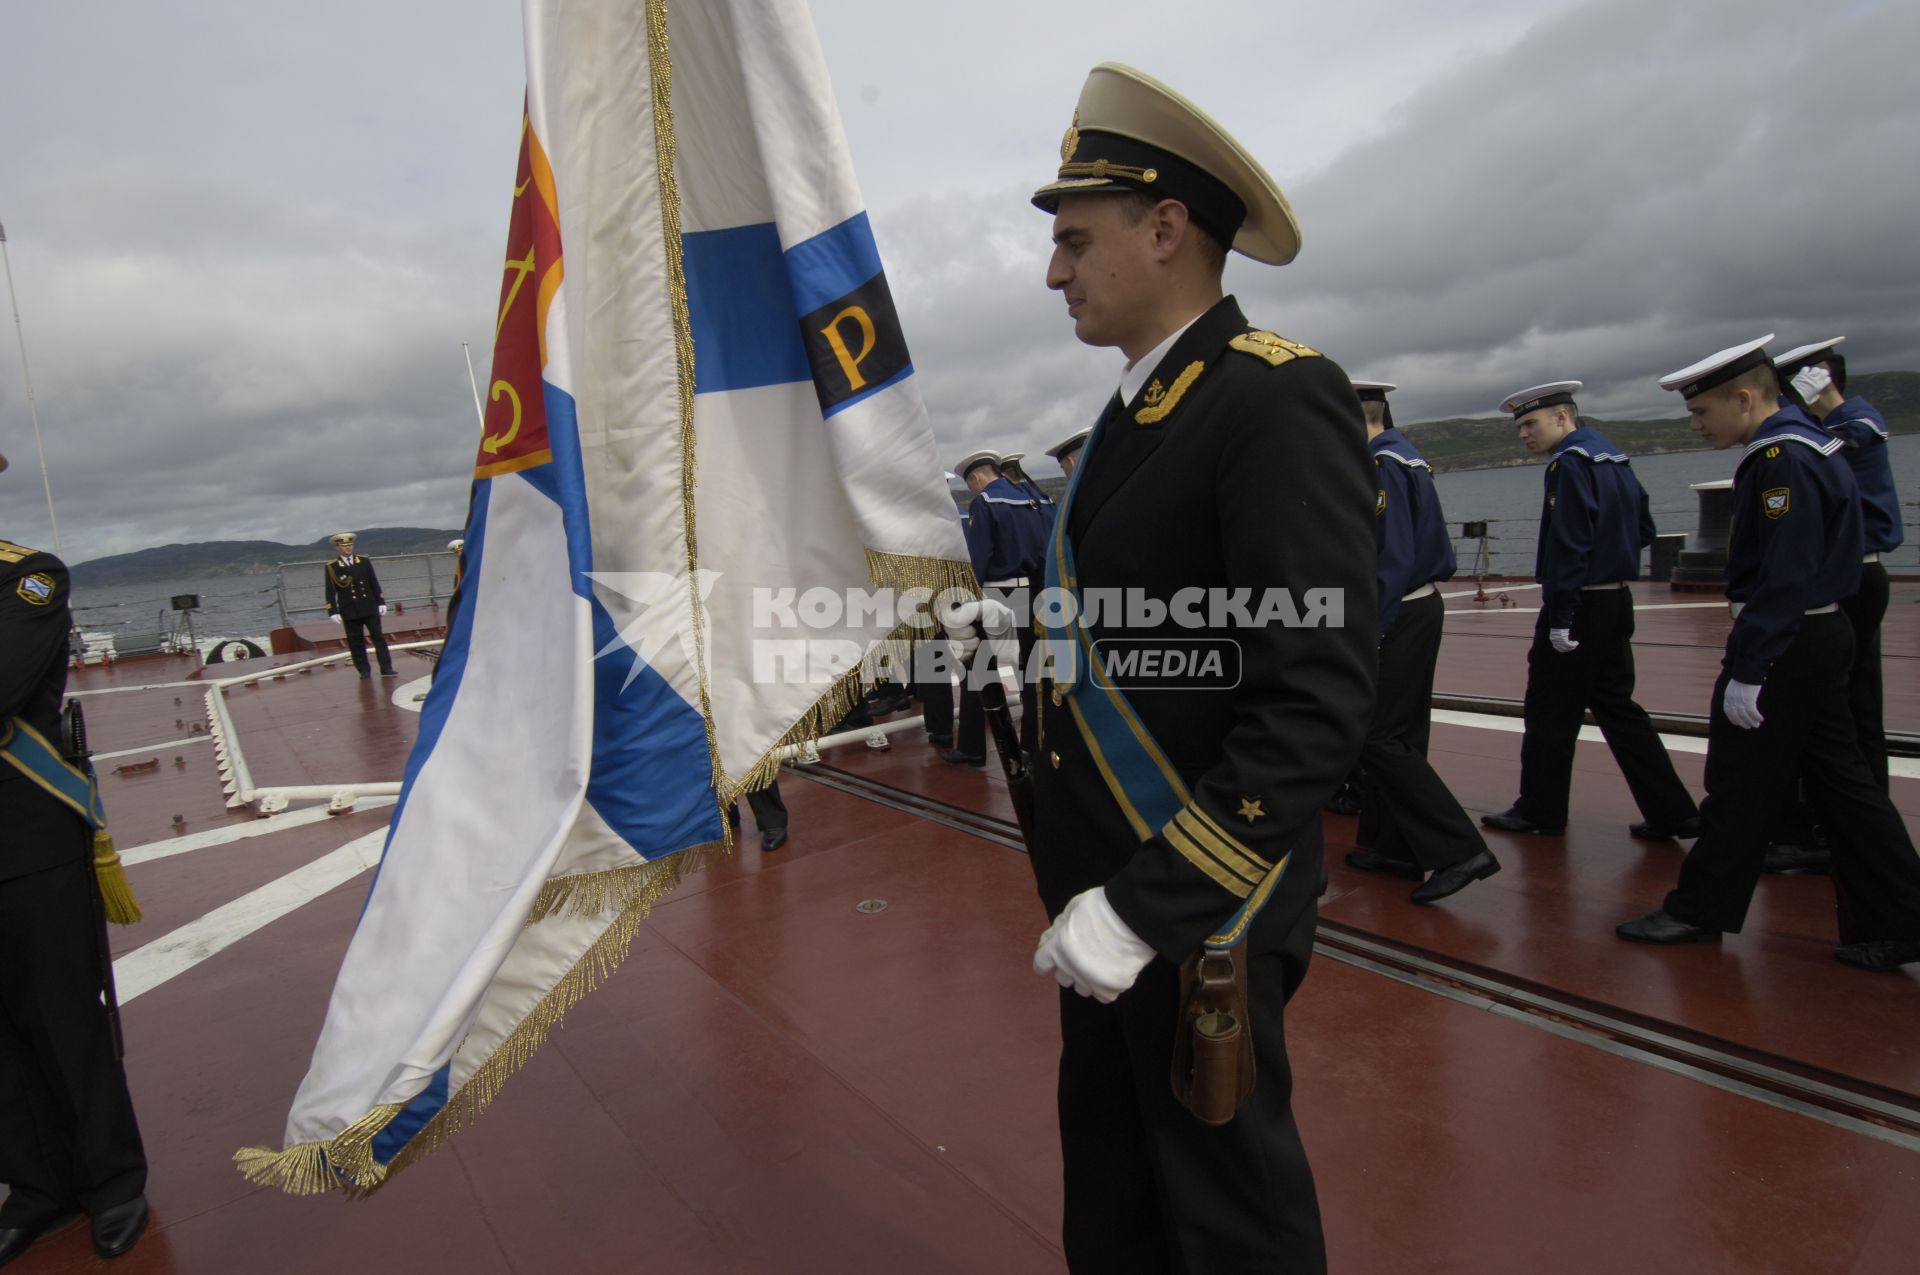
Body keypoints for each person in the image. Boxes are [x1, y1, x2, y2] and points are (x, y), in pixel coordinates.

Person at [1024, 64, 1375, 1273]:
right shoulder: (1137, 412)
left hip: (1195, 898)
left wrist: (1148, 906)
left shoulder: (1272, 399)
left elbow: (1315, 699)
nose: (1053, 271)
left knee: (1228, 1217)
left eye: (1073, 240)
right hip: (1108, 889)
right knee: (1122, 1197)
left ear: (1165, 228)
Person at [1616, 337, 1920, 971]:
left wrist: (1751, 668)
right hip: (1817, 633)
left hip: (1790, 641)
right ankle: (1901, 918)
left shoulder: (1780, 457)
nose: (1696, 425)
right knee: (1843, 786)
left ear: (1746, 397)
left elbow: (1786, 570)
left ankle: (1698, 911)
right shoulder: (1811, 442)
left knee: (1739, 783)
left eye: (1701, 414)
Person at [1, 450, 152, 1265]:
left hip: (27, 839)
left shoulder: (29, 580)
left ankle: (111, 1179)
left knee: (64, 1018)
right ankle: (35, 1184)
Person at [1479, 382, 1700, 841]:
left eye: (1530, 423)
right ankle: (1673, 811)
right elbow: (1644, 528)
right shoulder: (1613, 457)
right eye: (1520, 426)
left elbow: (1569, 545)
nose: (1524, 434)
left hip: (1580, 604)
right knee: (1619, 710)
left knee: (1548, 711)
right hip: (1616, 598)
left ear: (1563, 418)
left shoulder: (1569, 464)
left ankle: (1540, 809)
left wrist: (1561, 615)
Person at [1343, 381, 1501, 904]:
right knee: (1402, 732)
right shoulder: (1408, 457)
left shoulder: (1381, 465)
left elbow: (1388, 557)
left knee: (1377, 737)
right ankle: (1397, 847)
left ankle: (1459, 850)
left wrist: (1373, 631)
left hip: (1397, 610)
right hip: (1419, 604)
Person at [949, 450, 1051, 767]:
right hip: (1033, 592)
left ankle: (971, 748)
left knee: (976, 667)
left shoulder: (986, 503)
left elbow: (979, 555)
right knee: (1031, 670)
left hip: (998, 594)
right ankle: (1034, 743)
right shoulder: (1033, 500)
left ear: (976, 478)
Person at [323, 531, 396, 679]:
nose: (348, 548)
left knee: (378, 637)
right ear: (338, 548)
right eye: (344, 546)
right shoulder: (332, 567)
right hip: (349, 609)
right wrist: (333, 611)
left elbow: (373, 582)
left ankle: (386, 668)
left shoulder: (363, 561)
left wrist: (381, 601)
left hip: (369, 606)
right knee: (355, 641)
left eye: (350, 545)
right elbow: (330, 590)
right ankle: (364, 670)